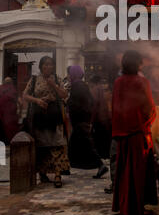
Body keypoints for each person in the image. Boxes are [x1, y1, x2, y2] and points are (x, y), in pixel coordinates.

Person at [112, 50, 158, 215]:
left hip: (123, 133)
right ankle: (137, 208)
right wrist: (148, 124)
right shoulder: (142, 81)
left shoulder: (118, 82)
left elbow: (115, 107)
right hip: (138, 133)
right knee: (138, 172)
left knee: (124, 171)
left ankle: (124, 206)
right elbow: (149, 108)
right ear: (137, 63)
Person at [23, 56, 70, 188]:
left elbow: (64, 95)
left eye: (50, 65)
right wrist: (37, 100)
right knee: (42, 146)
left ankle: (57, 175)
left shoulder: (57, 79)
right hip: (40, 117)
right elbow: (25, 95)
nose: (48, 67)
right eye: (45, 65)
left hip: (54, 117)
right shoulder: (34, 80)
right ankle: (42, 173)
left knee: (58, 145)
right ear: (40, 67)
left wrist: (53, 85)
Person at [67, 66, 108, 179]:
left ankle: (100, 165)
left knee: (87, 144)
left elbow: (79, 104)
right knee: (73, 144)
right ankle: (65, 167)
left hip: (80, 120)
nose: (69, 76)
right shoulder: (80, 85)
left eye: (70, 73)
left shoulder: (78, 86)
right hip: (81, 119)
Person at [89, 75, 111, 159]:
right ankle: (106, 155)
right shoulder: (101, 89)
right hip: (105, 117)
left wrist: (91, 120)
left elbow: (94, 106)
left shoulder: (95, 90)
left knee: (98, 138)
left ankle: (101, 156)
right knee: (105, 138)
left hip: (98, 118)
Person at [0, 77, 19, 144]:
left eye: (9, 81)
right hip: (3, 112)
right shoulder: (1, 88)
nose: (8, 83)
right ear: (4, 82)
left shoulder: (13, 89)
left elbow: (17, 100)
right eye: (7, 81)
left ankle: (9, 141)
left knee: (10, 128)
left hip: (10, 113)